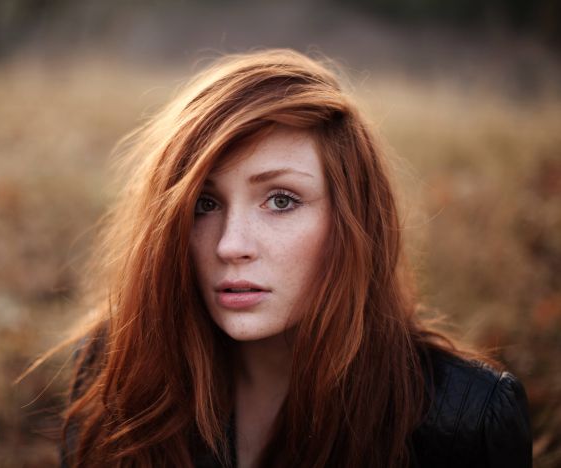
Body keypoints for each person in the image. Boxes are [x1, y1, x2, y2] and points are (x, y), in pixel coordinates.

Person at [60, 49, 531, 468]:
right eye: (205, 203)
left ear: (350, 222)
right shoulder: (116, 372)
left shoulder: (466, 419)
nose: (230, 245)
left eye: (281, 200)